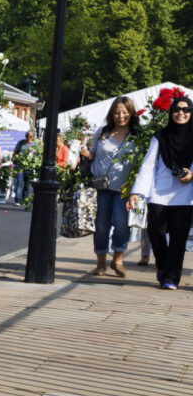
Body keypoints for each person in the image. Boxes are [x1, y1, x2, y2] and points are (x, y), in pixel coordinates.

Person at [128, 95, 193, 289]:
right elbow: (148, 165)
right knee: (155, 231)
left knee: (178, 238)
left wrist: (191, 175)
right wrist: (137, 192)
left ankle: (171, 278)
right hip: (159, 192)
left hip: (185, 194)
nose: (180, 113)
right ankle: (163, 266)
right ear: (171, 112)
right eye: (176, 109)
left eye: (186, 110)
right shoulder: (160, 136)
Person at [78, 97, 139, 277]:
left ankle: (118, 259)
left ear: (131, 114)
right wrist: (85, 154)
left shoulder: (137, 135)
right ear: (112, 114)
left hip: (124, 189)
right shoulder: (102, 133)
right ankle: (101, 263)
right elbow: (93, 155)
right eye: (117, 112)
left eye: (125, 113)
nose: (121, 116)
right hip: (101, 186)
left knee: (122, 225)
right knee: (102, 225)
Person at [12, 130, 35, 205]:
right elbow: (15, 152)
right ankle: (18, 200)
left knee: (28, 185)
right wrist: (14, 160)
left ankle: (25, 199)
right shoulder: (21, 142)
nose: (29, 137)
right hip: (20, 165)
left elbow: (38, 155)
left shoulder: (35, 145)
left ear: (33, 137)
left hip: (30, 167)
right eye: (27, 136)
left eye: (31, 136)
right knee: (19, 183)